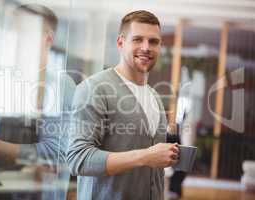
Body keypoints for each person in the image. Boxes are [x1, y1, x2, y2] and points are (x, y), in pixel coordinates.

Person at [0, 4, 75, 199]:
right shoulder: (3, 80)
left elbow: (55, 154)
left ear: (47, 39)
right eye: (11, 31)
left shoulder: (60, 85)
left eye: (22, 32)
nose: (13, 39)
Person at [67, 10, 179, 200]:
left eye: (153, 41)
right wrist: (145, 156)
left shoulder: (154, 96)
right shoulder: (94, 88)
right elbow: (78, 159)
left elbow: (151, 162)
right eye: (137, 39)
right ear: (120, 43)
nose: (146, 47)